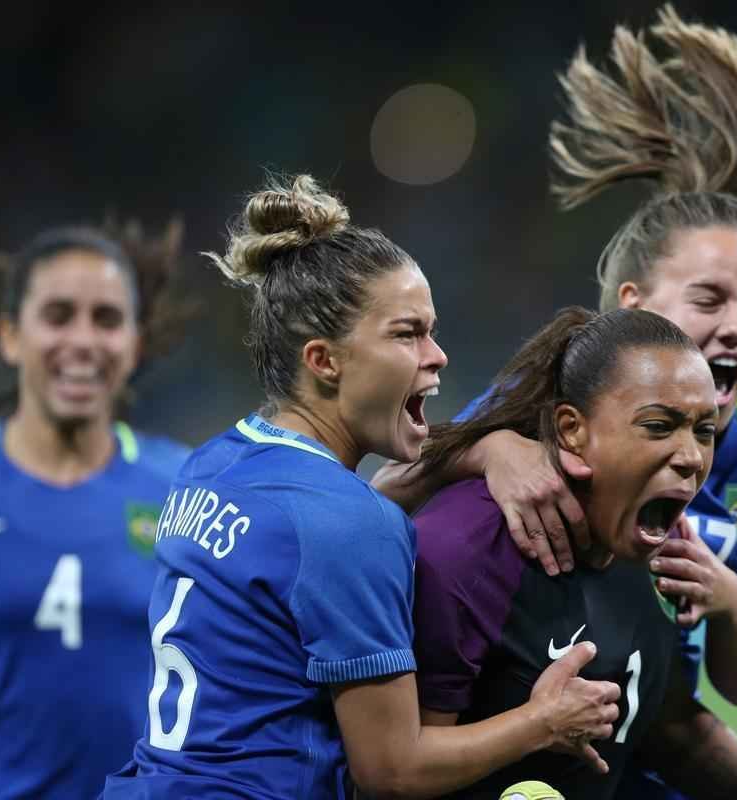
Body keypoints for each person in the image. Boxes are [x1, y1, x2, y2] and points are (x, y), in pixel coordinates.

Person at [373, 7, 737, 798]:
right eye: (709, 298)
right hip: (519, 745)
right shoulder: (542, 400)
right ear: (634, 303)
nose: (735, 326)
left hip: (648, 727)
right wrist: (486, 448)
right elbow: (389, 501)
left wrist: (730, 599)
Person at [102, 175, 621, 800]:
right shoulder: (347, 525)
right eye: (407, 334)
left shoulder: (210, 465)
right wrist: (543, 723)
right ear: (324, 360)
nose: (438, 355)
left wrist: (477, 449)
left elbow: (300, 556)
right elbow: (394, 770)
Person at [412, 306, 737, 799]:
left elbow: (670, 731)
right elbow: (396, 773)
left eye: (704, 431)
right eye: (659, 426)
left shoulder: (667, 551)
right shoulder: (466, 549)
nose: (690, 458)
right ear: (572, 429)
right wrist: (536, 724)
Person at [0, 222, 191, 798]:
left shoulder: (185, 488)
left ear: (135, 343)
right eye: (57, 315)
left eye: (106, 320)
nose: (83, 341)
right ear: (10, 336)